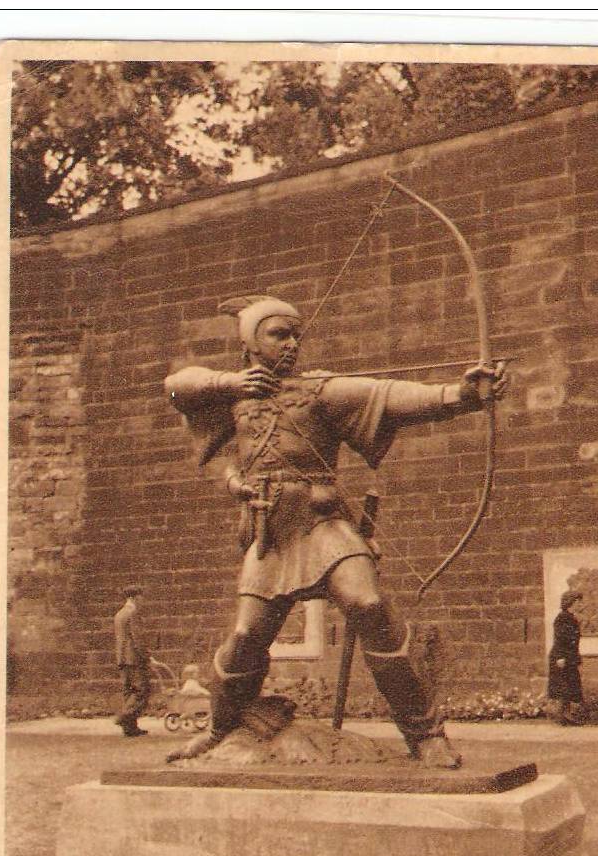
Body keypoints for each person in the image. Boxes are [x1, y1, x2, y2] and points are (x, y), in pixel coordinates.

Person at [165, 294, 507, 768]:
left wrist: (461, 395)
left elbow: (391, 397)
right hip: (269, 532)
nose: (291, 344)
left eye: (295, 335)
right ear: (249, 343)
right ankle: (220, 729)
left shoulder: (320, 390)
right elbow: (177, 387)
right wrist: (232, 397)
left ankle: (425, 734)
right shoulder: (231, 397)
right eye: (277, 334)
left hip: (323, 522)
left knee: (369, 605)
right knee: (244, 637)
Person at [113, 586, 165, 737]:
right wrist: (147, 657)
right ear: (135, 597)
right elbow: (138, 639)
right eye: (141, 597)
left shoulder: (119, 614)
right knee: (142, 690)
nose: (143, 600)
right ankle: (124, 716)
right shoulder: (133, 613)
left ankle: (130, 728)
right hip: (134, 658)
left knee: (128, 692)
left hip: (122, 659)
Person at [547, 591, 584, 725]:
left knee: (570, 686)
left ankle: (566, 715)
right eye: (578, 601)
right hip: (561, 657)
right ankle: (563, 716)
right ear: (571, 603)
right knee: (564, 686)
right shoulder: (562, 618)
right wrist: (560, 657)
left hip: (569, 657)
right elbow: (560, 639)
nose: (580, 604)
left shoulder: (571, 617)